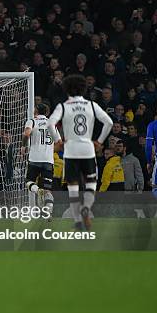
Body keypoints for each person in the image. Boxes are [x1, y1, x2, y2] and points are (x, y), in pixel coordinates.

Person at [48, 75, 113, 231]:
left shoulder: (63, 106)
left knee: (73, 187)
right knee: (90, 184)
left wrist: (58, 140)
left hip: (70, 150)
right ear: (84, 89)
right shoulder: (91, 105)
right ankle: (86, 208)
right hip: (88, 149)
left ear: (67, 89)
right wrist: (100, 141)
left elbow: (51, 123)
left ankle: (77, 221)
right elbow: (109, 122)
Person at [21, 104, 55, 213]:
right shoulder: (52, 123)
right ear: (47, 112)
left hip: (34, 159)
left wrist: (23, 146)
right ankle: (48, 211)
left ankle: (37, 190)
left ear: (36, 111)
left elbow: (26, 134)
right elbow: (59, 142)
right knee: (48, 190)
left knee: (28, 181)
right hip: (48, 160)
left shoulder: (32, 121)